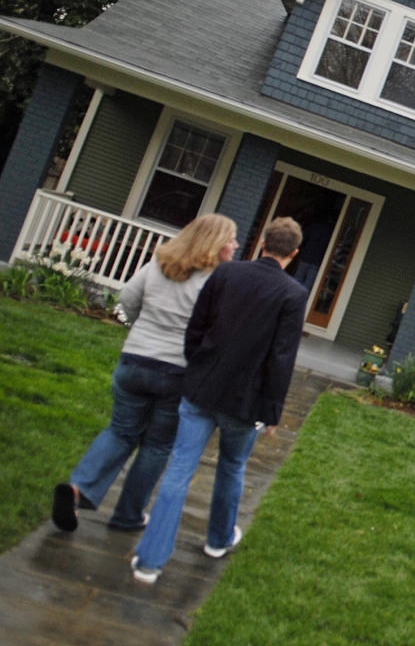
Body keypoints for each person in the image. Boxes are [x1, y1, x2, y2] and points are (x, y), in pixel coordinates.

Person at [131, 217, 308, 583]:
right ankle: (218, 539)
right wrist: (272, 410)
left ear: (262, 243)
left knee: (180, 470)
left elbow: (197, 326)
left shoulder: (227, 274)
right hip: (244, 403)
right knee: (232, 467)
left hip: (202, 389)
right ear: (293, 253)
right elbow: (282, 357)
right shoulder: (293, 294)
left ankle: (149, 562)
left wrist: (197, 363)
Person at [51, 214, 239, 533]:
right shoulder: (217, 282)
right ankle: (128, 515)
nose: (236, 245)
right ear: (217, 243)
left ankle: (78, 488)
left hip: (134, 361)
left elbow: (126, 302)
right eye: (231, 239)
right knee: (157, 445)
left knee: (120, 431)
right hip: (177, 372)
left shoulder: (158, 264)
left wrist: (138, 328)